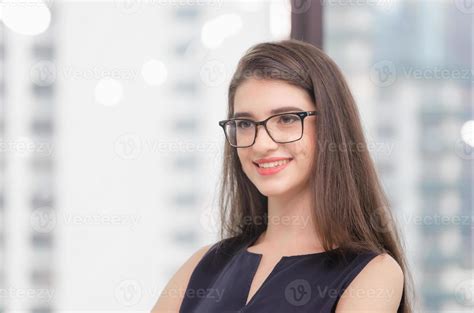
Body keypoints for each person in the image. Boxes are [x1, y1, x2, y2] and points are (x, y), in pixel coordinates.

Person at [151, 39, 414, 313]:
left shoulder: (373, 274)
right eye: (244, 123)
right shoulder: (203, 265)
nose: (261, 144)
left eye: (287, 119)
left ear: (330, 126)